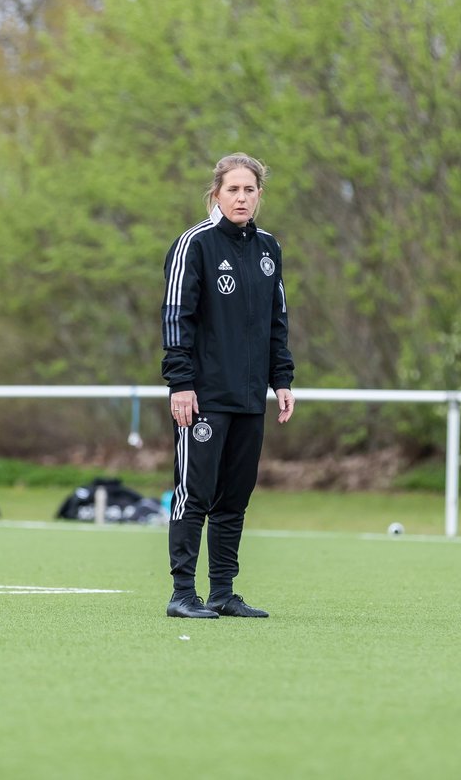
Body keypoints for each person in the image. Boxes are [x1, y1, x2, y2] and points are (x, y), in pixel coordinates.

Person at [160, 152, 295, 619]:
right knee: (193, 493)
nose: (242, 197)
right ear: (216, 193)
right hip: (201, 396)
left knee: (234, 498)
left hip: (248, 396)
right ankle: (182, 593)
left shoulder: (268, 249)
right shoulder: (194, 244)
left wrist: (282, 379)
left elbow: (277, 321)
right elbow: (177, 316)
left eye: (250, 189)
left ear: (260, 195)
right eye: (233, 189)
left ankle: (222, 592)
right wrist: (181, 383)